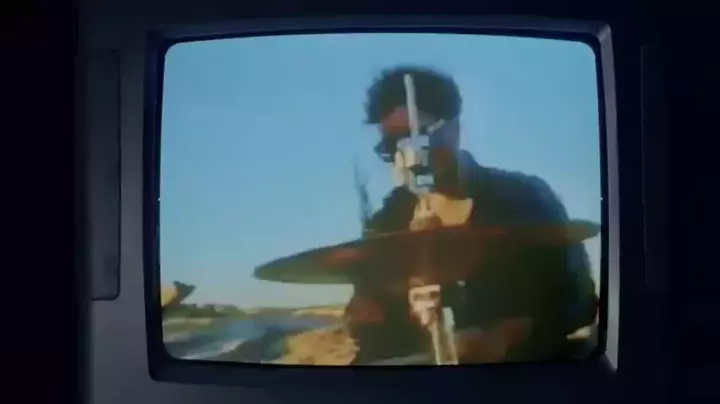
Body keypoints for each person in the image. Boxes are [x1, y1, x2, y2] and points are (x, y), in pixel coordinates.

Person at [345, 65, 598, 364]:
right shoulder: (388, 220)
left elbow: (579, 301)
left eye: (417, 136)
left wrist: (503, 336)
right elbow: (372, 324)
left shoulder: (525, 198)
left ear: (454, 128)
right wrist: (364, 317)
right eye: (391, 145)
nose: (407, 155)